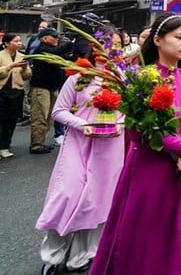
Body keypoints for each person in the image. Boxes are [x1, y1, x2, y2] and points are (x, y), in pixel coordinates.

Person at [91, 13, 181, 274]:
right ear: (157, 39)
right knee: (146, 244)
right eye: (178, 37)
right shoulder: (141, 79)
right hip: (150, 174)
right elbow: (139, 133)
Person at [36, 28, 125, 274]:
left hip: (110, 146)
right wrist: (83, 124)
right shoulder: (78, 77)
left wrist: (120, 124)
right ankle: (52, 257)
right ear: (94, 48)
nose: (111, 50)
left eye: (117, 45)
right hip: (79, 143)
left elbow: (130, 114)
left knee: (98, 201)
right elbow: (59, 111)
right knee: (66, 195)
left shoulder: (122, 80)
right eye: (106, 44)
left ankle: (83, 255)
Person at [29, 28, 74, 154]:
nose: (57, 39)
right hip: (41, 88)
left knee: (49, 117)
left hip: (53, 87)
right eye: (54, 37)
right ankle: (36, 145)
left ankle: (40, 142)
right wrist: (71, 42)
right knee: (40, 116)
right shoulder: (42, 50)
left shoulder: (53, 50)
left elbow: (65, 58)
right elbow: (57, 52)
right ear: (44, 38)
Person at [0, 33, 31, 158]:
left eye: (19, 41)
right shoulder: (1, 55)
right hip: (2, 91)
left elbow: (27, 75)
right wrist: (11, 66)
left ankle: (5, 145)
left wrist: (24, 68)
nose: (19, 43)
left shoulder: (22, 56)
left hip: (16, 91)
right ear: (7, 43)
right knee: (1, 120)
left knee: (11, 120)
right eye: (15, 41)